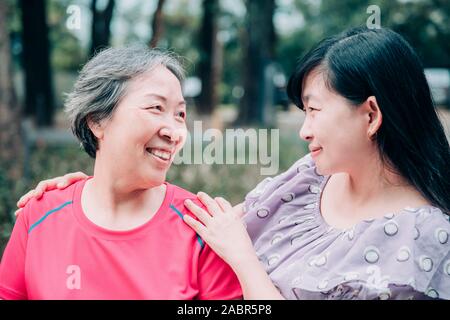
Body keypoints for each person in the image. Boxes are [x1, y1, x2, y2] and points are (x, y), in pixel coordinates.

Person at [14, 27, 450, 300]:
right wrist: (81, 195)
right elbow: (201, 226)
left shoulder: (426, 241)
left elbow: (225, 246)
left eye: (314, 110)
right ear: (97, 121)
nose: (303, 130)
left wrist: (243, 258)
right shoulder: (310, 179)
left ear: (370, 115)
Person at [0, 46, 242, 300]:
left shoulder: (204, 230)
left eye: (180, 114)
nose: (175, 132)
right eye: (156, 108)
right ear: (97, 121)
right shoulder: (39, 214)